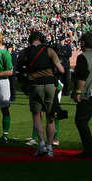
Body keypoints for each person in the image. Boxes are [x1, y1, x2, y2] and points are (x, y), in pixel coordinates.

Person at [19, 30, 65, 158]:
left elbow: (20, 67)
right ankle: (50, 148)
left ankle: (42, 145)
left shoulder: (25, 52)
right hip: (50, 84)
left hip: (35, 84)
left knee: (36, 115)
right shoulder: (49, 50)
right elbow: (61, 69)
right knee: (50, 116)